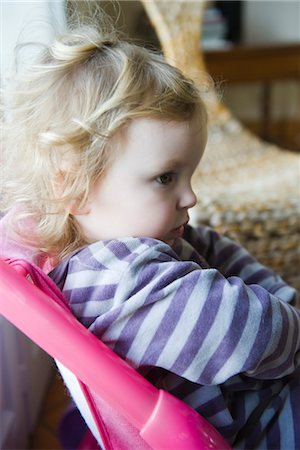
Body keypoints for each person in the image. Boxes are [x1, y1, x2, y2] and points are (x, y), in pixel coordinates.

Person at [1, 23, 299, 450]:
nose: (190, 195)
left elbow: (212, 248)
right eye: (165, 177)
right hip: (259, 425)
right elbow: (251, 333)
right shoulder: (123, 282)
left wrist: (275, 296)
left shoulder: (121, 243)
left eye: (188, 173)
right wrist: (291, 320)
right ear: (74, 188)